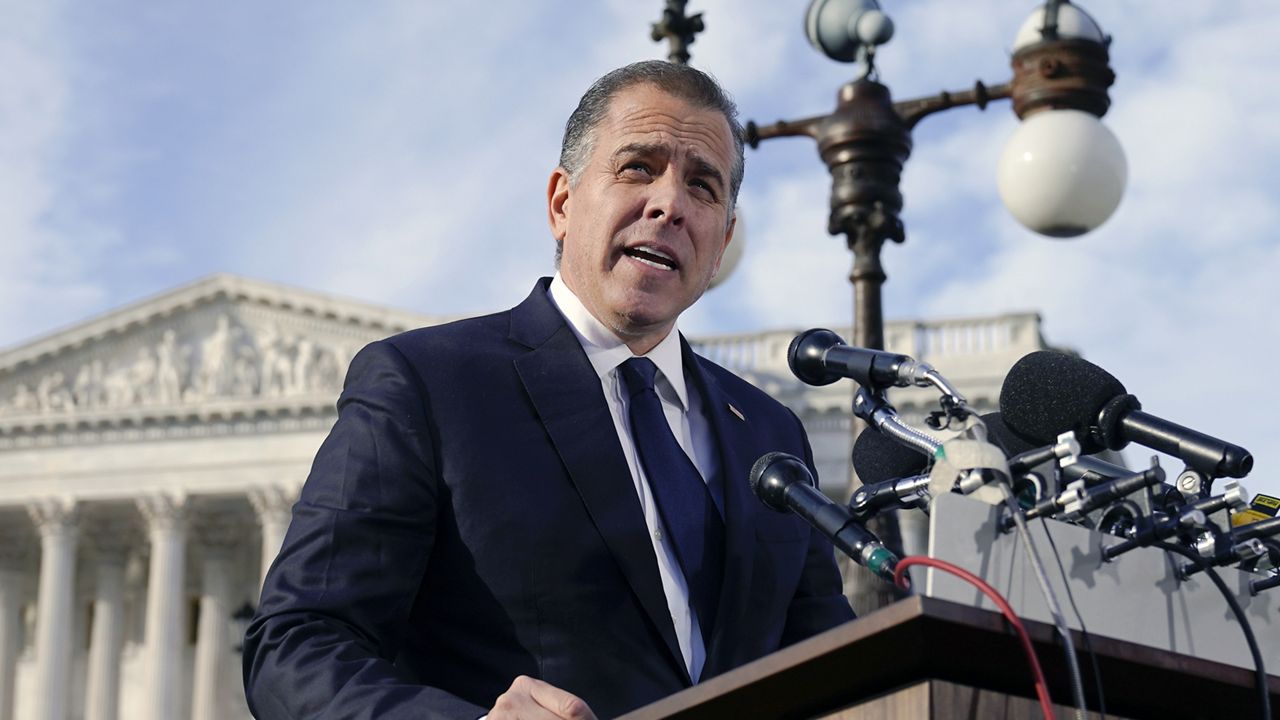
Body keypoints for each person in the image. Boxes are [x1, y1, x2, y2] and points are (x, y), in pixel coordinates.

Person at [243, 60, 854, 720]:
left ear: (722, 239)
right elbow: (295, 645)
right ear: (562, 203)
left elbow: (835, 668)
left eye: (702, 186)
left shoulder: (767, 431)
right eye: (638, 168)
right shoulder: (427, 385)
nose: (669, 204)